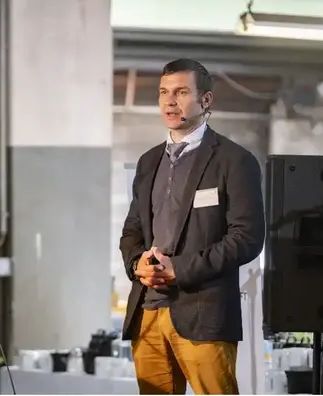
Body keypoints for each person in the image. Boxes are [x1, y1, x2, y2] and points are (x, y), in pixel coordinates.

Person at [119, 58, 265, 395]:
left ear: (206, 100)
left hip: (204, 315)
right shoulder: (148, 161)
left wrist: (178, 269)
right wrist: (136, 263)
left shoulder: (234, 161)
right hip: (148, 311)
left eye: (182, 92)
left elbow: (246, 238)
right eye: (164, 93)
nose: (170, 101)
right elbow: (132, 230)